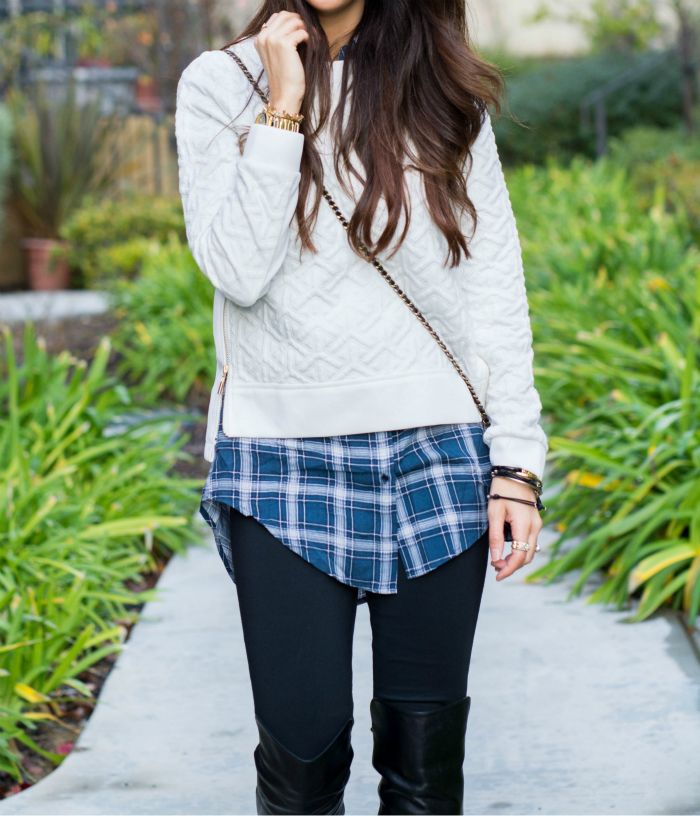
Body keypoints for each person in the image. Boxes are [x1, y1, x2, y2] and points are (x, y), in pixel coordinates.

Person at [175, 0, 547, 813]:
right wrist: (283, 105)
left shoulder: (440, 93)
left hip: (437, 453)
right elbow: (237, 268)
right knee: (300, 767)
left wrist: (516, 463)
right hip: (280, 457)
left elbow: (494, 288)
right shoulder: (220, 86)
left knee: (424, 774)